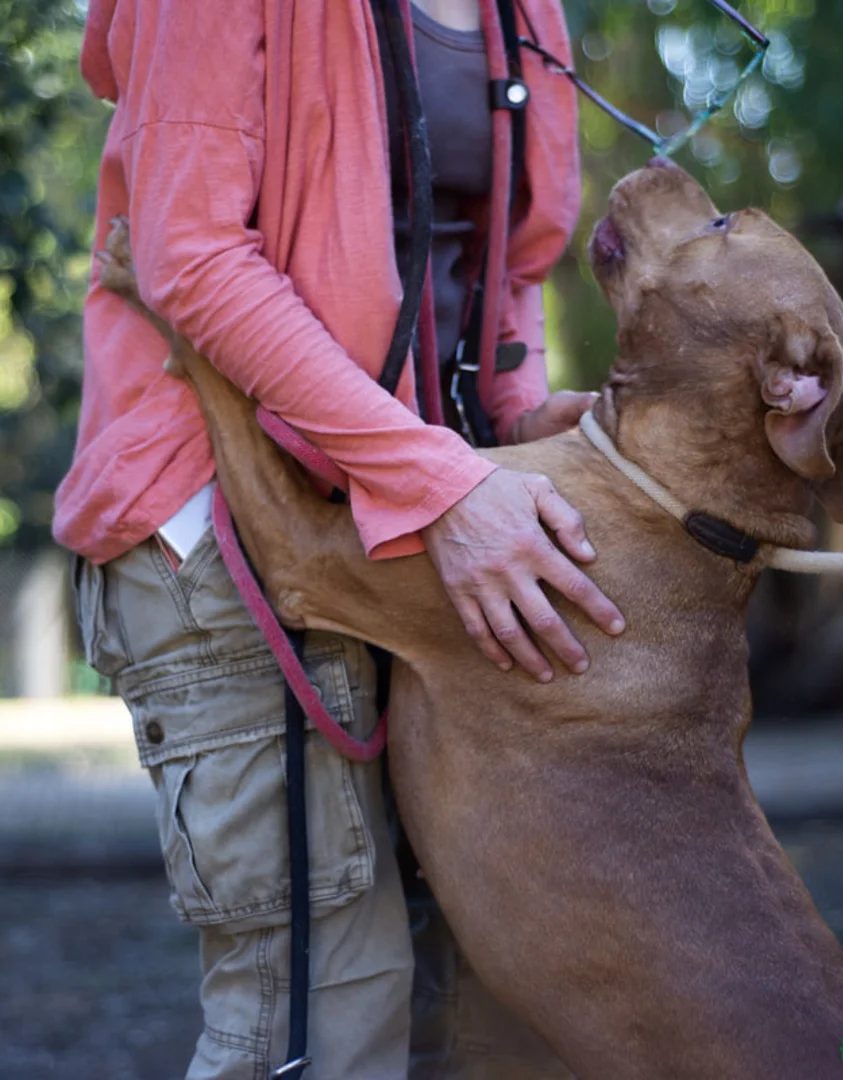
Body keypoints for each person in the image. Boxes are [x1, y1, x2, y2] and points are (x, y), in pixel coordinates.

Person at [54, 0, 625, 1075]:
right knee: (322, 1019)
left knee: (485, 1006)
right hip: (226, 518)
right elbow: (191, 258)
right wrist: (445, 485)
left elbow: (511, 270)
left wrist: (517, 419)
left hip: (417, 528)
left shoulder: (529, 10)